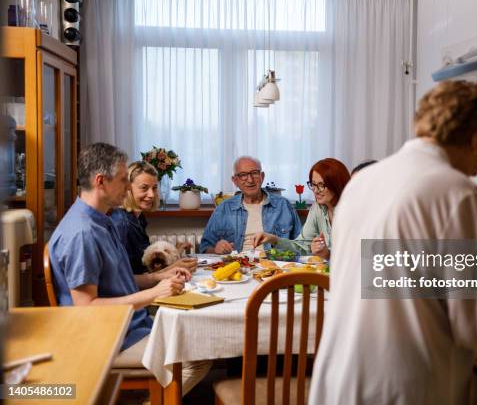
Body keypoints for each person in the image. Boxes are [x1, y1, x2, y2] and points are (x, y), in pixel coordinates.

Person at [309, 81, 477, 405]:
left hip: (338, 383)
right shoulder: (457, 193)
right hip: (405, 387)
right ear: (476, 137)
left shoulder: (363, 182)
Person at [49, 143, 209, 395]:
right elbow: (86, 308)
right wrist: (156, 293)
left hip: (131, 324)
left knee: (196, 329)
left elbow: (120, 280)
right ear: (101, 181)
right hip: (109, 339)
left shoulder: (102, 221)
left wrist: (159, 279)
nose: (128, 187)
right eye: (124, 180)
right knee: (197, 356)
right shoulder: (82, 232)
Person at [199, 156, 302, 254]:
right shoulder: (224, 208)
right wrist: (216, 249)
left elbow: (301, 246)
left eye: (254, 173)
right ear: (235, 181)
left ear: (262, 176)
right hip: (237, 266)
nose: (250, 180)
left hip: (274, 265)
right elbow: (204, 247)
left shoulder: (283, 206)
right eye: (243, 175)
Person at [110, 161, 197, 275]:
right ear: (128, 188)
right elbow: (126, 279)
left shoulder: (138, 218)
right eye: (144, 188)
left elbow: (145, 265)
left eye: (154, 188)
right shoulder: (122, 223)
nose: (151, 194)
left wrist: (175, 252)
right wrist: (173, 268)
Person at [253, 158, 350, 259]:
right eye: (313, 184)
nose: (316, 190)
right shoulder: (318, 208)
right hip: (325, 273)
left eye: (322, 185)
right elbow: (302, 247)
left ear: (337, 185)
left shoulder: (357, 212)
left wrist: (328, 255)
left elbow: (366, 260)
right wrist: (274, 240)